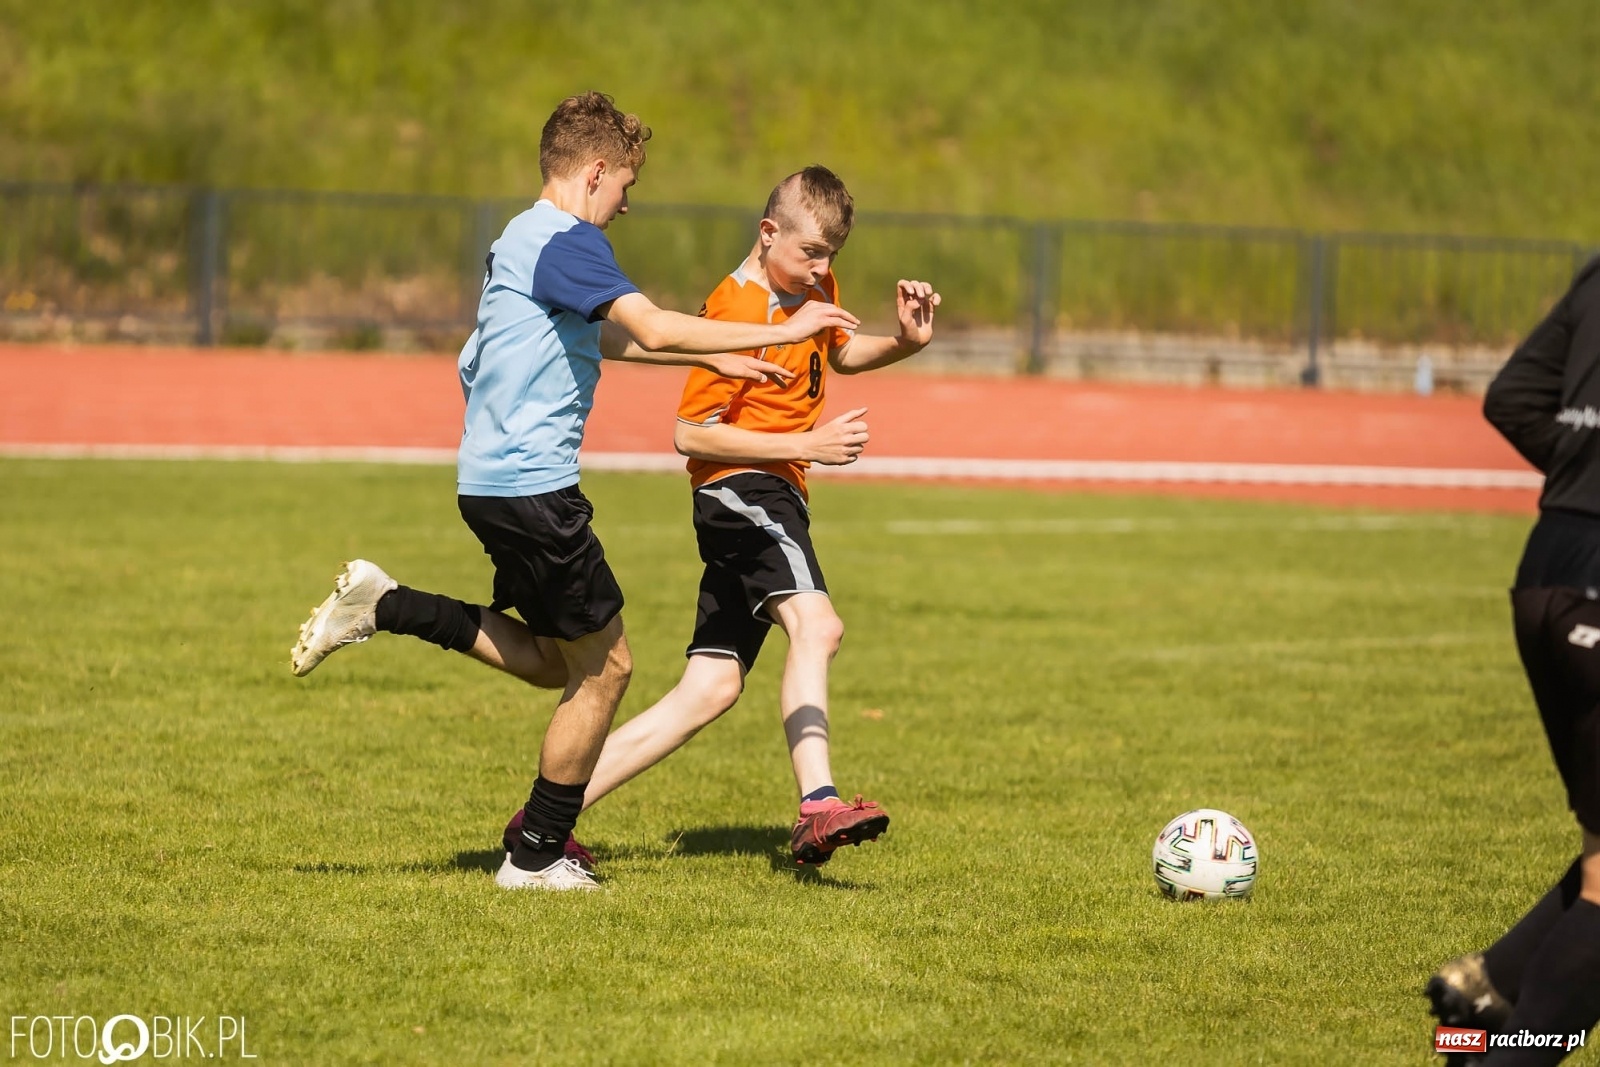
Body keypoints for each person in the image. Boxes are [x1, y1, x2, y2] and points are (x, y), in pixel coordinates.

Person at [288, 93, 859, 893]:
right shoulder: (570, 241)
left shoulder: (518, 238)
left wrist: (723, 360)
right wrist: (777, 331)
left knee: (554, 661)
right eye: (625, 185)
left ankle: (389, 605)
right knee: (609, 666)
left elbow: (610, 339)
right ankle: (536, 854)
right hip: (534, 485)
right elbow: (655, 326)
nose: (627, 203)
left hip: (488, 481)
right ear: (594, 173)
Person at [504, 165, 940, 867]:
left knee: (710, 688)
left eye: (832, 258)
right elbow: (690, 433)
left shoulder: (806, 284)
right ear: (769, 234)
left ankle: (546, 815)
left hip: (773, 489)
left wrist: (904, 343)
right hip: (742, 490)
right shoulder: (734, 310)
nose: (823, 271)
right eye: (811, 254)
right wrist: (808, 445)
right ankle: (819, 802)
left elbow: (837, 355)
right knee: (818, 623)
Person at [1426, 255, 1600, 1063]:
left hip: (1546, 565)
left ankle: (1483, 992)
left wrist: (1580, 473)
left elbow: (1513, 398)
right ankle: (1505, 1055)